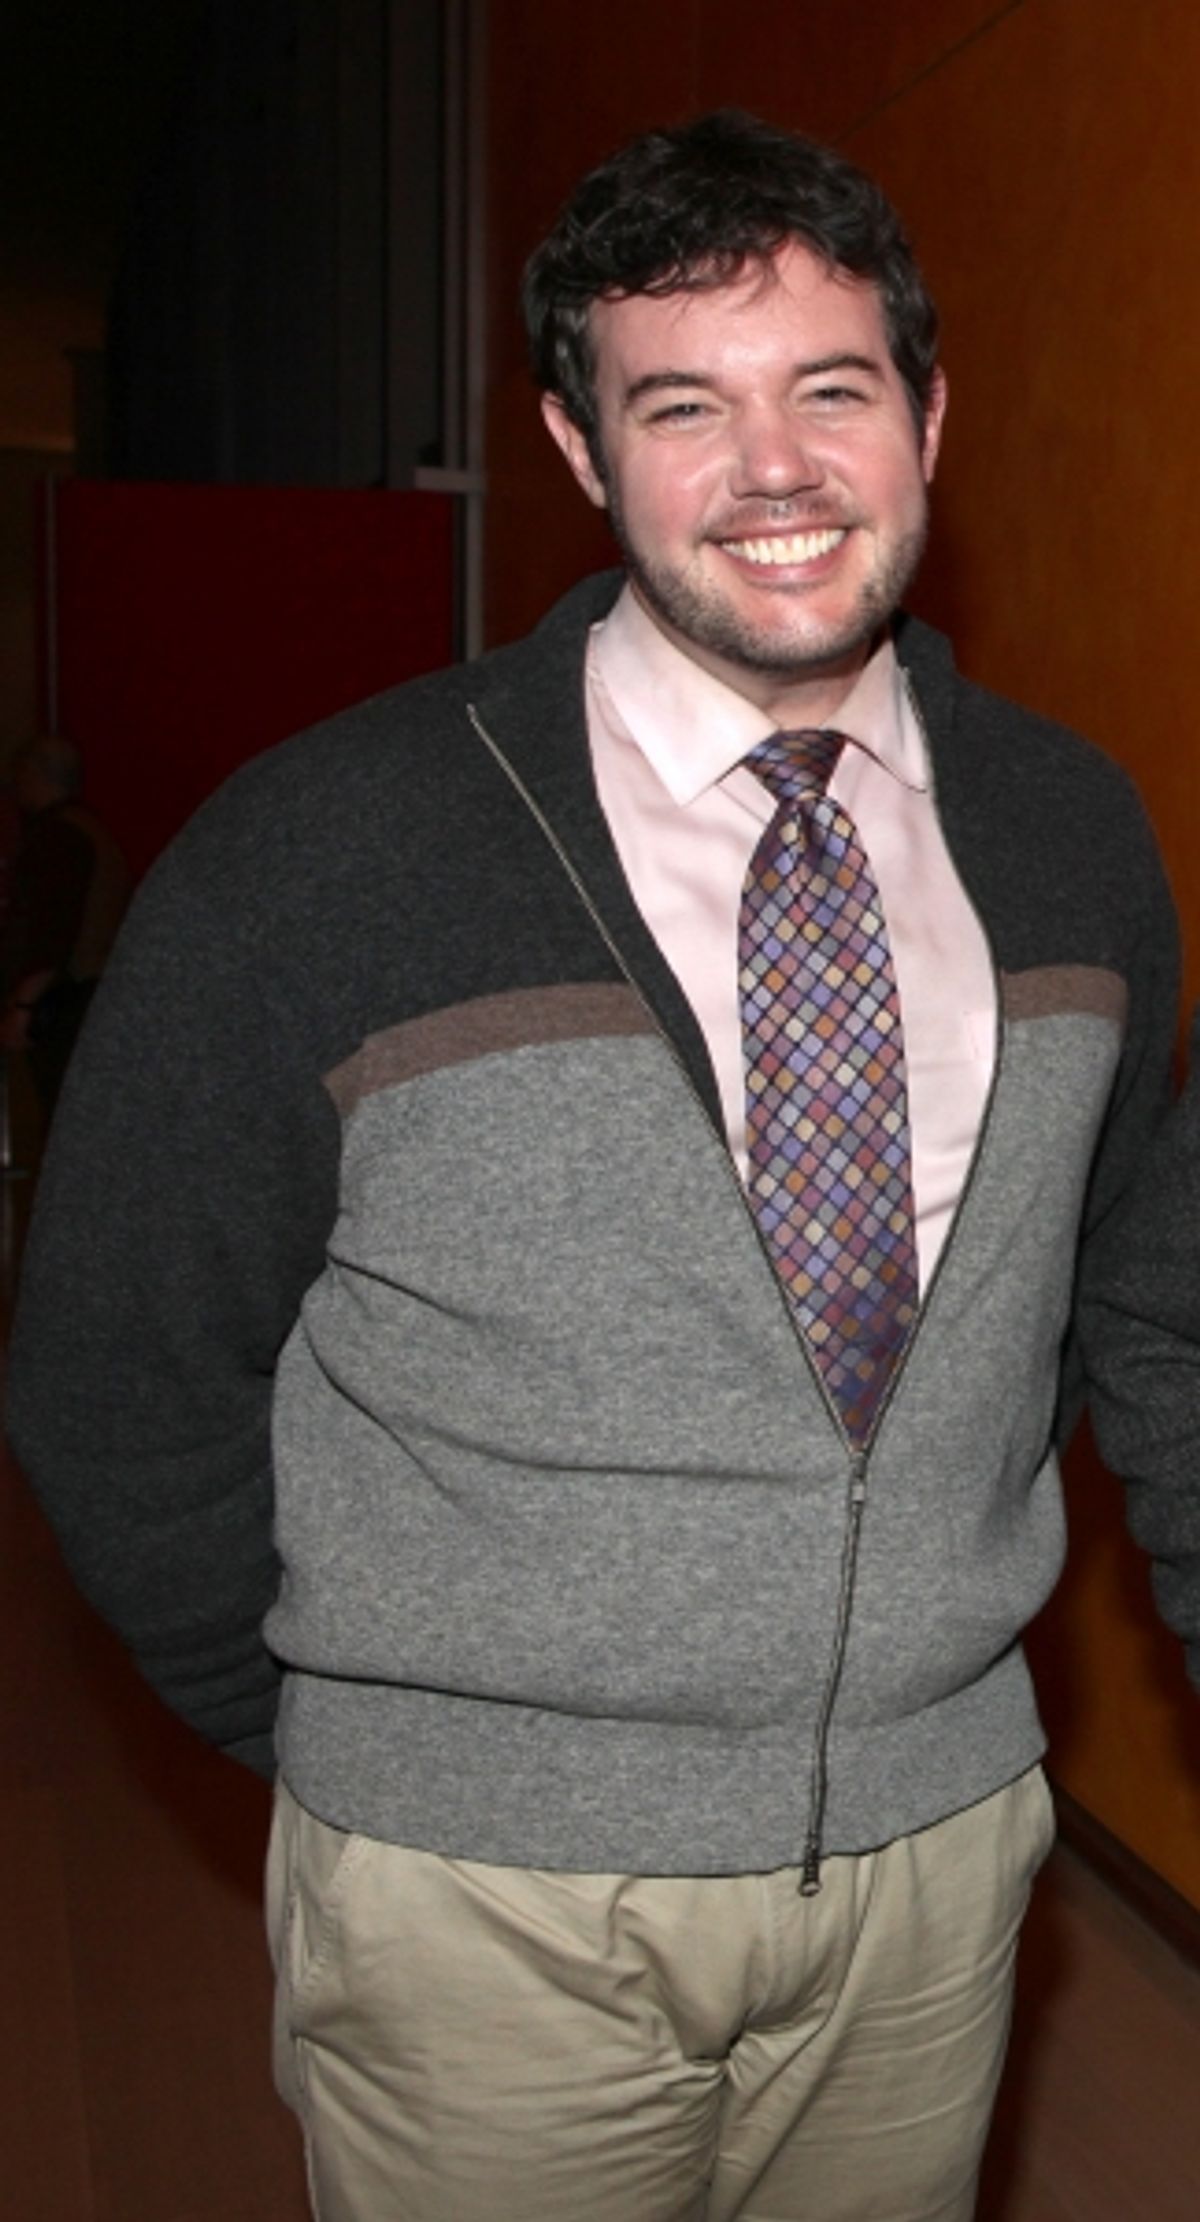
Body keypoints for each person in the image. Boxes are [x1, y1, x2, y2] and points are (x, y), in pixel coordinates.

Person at [5, 111, 1188, 2222]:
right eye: (682, 406)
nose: (775, 471)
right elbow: (116, 1370)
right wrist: (370, 1760)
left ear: (929, 412)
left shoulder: (1074, 832)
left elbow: (1151, 1299)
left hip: (932, 1868)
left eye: (832, 388)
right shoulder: (325, 849)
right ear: (576, 447)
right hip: (484, 1900)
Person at [0, 735, 130, 1116]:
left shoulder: (60, 837)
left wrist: (23, 1004)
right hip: (87, 993)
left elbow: (50, 931)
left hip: (64, 1001)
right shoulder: (90, 830)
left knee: (56, 1111)